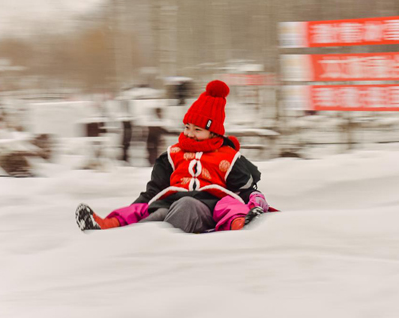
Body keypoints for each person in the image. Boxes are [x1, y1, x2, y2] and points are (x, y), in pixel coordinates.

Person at [75, 80, 272, 234]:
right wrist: (139, 207)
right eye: (187, 127)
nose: (190, 134)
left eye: (198, 130)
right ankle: (108, 227)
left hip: (209, 208)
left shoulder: (227, 157)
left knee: (223, 205)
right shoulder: (173, 155)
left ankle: (241, 225)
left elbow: (243, 191)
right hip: (171, 203)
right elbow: (154, 190)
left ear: (214, 133)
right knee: (150, 210)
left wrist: (255, 203)